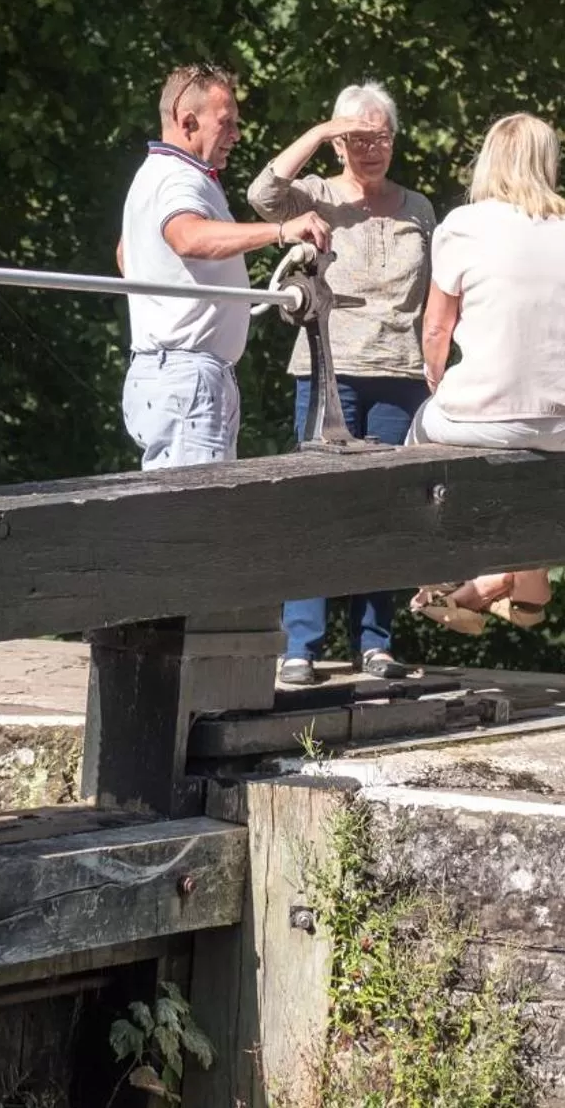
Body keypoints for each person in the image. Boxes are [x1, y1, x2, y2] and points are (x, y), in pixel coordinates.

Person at [248, 83, 436, 685]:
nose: (371, 149)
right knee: (317, 505)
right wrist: (322, 131)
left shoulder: (418, 208)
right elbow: (261, 194)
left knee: (386, 508)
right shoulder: (317, 195)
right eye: (358, 138)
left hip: (401, 373)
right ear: (338, 143)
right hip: (327, 367)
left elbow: (438, 291)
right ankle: (299, 646)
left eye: (382, 137)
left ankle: (375, 644)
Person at [407, 113, 565, 633]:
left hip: (483, 413)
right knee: (532, 455)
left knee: (419, 436)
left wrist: (437, 380)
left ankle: (440, 576)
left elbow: (436, 329)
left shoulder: (463, 225)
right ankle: (521, 588)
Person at [119, 64, 329, 469]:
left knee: (184, 502)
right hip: (188, 375)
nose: (236, 135)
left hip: (173, 372)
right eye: (226, 122)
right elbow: (187, 237)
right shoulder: (179, 178)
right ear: (187, 121)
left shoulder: (154, 174)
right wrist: (281, 230)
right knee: (198, 505)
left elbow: (127, 255)